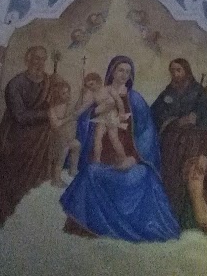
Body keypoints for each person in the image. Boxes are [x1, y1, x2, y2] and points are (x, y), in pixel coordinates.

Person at [60, 55, 180, 242]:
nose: (124, 75)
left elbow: (146, 132)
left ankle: (139, 230)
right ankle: (87, 230)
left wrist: (135, 158)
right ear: (112, 72)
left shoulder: (135, 99)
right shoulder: (101, 93)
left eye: (128, 72)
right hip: (103, 158)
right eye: (120, 70)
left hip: (130, 157)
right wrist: (96, 111)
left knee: (142, 176)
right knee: (91, 173)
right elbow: (85, 121)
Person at [151, 58, 207, 233]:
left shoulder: (200, 92)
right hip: (172, 148)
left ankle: (202, 223)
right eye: (172, 71)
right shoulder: (167, 94)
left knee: (195, 179)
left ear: (186, 71)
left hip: (196, 145)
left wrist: (198, 119)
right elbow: (154, 116)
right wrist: (176, 121)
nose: (175, 74)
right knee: (174, 183)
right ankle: (177, 224)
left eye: (178, 70)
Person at [0, 45, 54, 225]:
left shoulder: (50, 82)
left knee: (36, 187)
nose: (40, 63)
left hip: (40, 145)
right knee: (11, 187)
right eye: (36, 58)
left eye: (43, 59)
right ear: (27, 59)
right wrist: (48, 114)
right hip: (16, 144)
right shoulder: (15, 84)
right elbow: (20, 116)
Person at [77, 72, 134, 169]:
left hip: (112, 116)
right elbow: (85, 106)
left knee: (114, 138)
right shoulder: (94, 96)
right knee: (97, 139)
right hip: (102, 118)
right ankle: (97, 161)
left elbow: (118, 100)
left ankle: (123, 158)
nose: (91, 88)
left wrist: (121, 113)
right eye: (88, 86)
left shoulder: (108, 89)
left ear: (98, 81)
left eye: (92, 84)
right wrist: (77, 113)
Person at [48, 79, 81, 187]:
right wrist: (68, 119)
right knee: (61, 158)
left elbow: (77, 110)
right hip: (58, 139)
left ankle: (73, 170)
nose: (67, 95)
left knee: (77, 145)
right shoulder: (52, 109)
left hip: (68, 138)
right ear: (57, 95)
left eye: (68, 92)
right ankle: (56, 180)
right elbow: (56, 124)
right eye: (63, 93)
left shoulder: (68, 104)